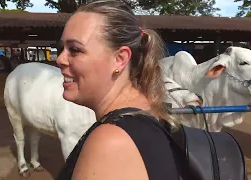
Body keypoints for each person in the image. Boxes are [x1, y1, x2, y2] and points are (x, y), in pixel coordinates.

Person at [56, 0, 180, 179]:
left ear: (120, 59)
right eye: (62, 48)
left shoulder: (111, 142)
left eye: (74, 49)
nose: (60, 59)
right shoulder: (149, 111)